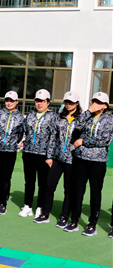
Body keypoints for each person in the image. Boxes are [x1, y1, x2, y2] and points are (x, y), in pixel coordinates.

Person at [65, 92, 113, 236]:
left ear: (104, 106)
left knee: (95, 192)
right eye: (93, 101)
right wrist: (88, 112)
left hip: (97, 161)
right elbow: (76, 126)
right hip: (81, 159)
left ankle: (92, 224)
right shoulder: (88, 116)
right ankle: (74, 220)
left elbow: (104, 140)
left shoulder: (109, 119)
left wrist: (84, 141)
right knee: (78, 190)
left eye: (98, 102)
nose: (95, 104)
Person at [34, 91, 82, 226]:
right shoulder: (58, 118)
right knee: (49, 186)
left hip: (72, 160)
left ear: (77, 104)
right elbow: (53, 138)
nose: (68, 105)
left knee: (68, 189)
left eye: (71, 102)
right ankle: (45, 214)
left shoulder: (81, 120)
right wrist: (49, 156)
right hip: (57, 158)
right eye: (66, 102)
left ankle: (64, 217)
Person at [18, 89, 59, 218]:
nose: (39, 103)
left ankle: (40, 207)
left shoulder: (53, 117)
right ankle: (27, 206)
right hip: (29, 152)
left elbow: (54, 137)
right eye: (37, 101)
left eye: (43, 101)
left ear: (48, 102)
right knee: (29, 181)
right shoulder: (30, 114)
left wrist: (50, 156)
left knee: (43, 183)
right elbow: (24, 131)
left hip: (43, 155)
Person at [0, 91, 25, 215]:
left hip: (9, 151)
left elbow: (20, 134)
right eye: (7, 100)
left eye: (12, 100)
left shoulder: (20, 117)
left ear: (16, 102)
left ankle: (3, 203)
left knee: (6, 178)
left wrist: (11, 143)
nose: (9, 103)